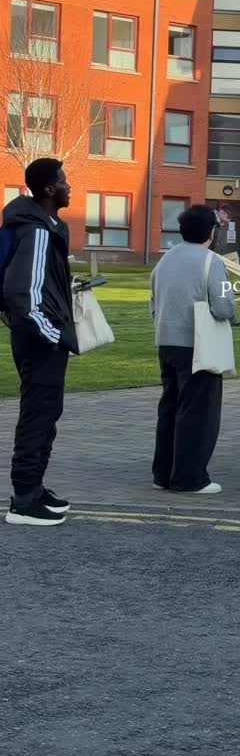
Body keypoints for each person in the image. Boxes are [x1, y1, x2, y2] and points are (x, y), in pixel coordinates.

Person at [2, 159, 77, 526]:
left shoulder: (42, 227)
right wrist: (53, 336)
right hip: (40, 341)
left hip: (40, 338)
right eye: (63, 181)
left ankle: (35, 486)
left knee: (47, 414)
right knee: (37, 416)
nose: (68, 187)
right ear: (48, 190)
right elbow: (22, 294)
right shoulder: (38, 232)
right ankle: (24, 499)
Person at [151, 204, 236, 494]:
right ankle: (189, 477)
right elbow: (224, 307)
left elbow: (154, 300)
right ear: (211, 232)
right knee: (198, 412)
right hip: (198, 344)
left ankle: (163, 473)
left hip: (166, 341)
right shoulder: (211, 262)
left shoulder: (164, 260)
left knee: (170, 408)